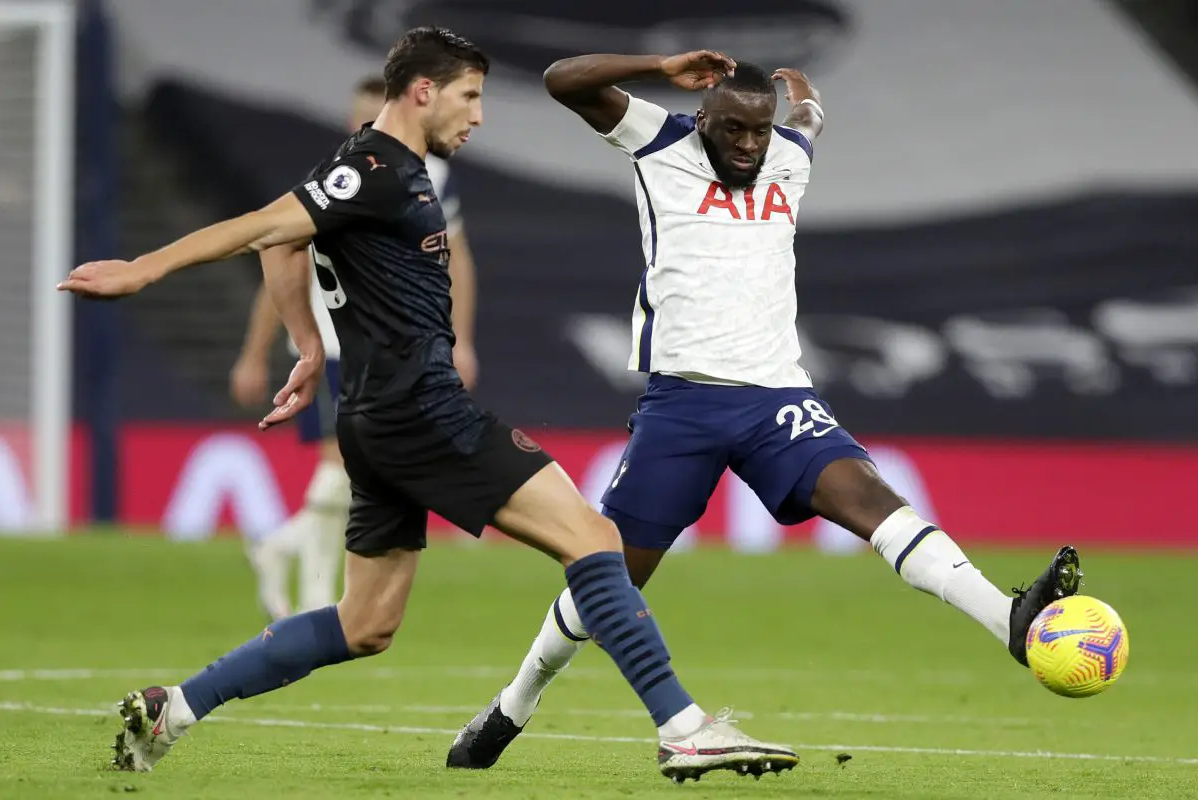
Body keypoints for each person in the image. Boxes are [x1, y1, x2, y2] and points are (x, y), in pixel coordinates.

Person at [58, 29, 798, 783]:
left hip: (373, 418)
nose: (477, 115)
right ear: (422, 91)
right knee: (594, 540)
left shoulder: (378, 169)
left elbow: (281, 243)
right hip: (421, 409)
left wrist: (308, 346)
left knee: (365, 623)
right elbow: (257, 229)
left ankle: (174, 708)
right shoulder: (375, 167)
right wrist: (143, 270)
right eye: (469, 95)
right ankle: (682, 728)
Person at [444, 52, 1083, 771]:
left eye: (761, 130)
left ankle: (1008, 620)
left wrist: (802, 95)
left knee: (875, 501)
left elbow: (807, 122)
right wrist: (660, 64)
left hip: (779, 396)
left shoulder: (789, 153)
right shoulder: (659, 140)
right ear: (704, 117)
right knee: (610, 576)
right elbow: (565, 79)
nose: (750, 145)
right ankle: (514, 703)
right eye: (735, 130)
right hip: (682, 402)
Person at [231, 75, 480, 621]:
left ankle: (283, 550)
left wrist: (460, 338)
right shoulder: (339, 180)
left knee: (372, 470)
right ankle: (316, 600)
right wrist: (256, 351)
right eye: (362, 120)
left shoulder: (435, 176)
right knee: (339, 465)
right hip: (345, 344)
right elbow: (281, 257)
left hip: (409, 349)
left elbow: (456, 259)